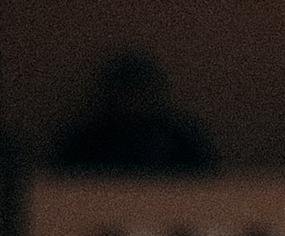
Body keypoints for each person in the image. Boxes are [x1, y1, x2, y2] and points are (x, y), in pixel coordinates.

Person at [49, 51, 215, 176]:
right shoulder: (83, 142)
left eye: (141, 92)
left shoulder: (182, 141)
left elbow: (204, 190)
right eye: (126, 92)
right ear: (109, 94)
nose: (133, 99)